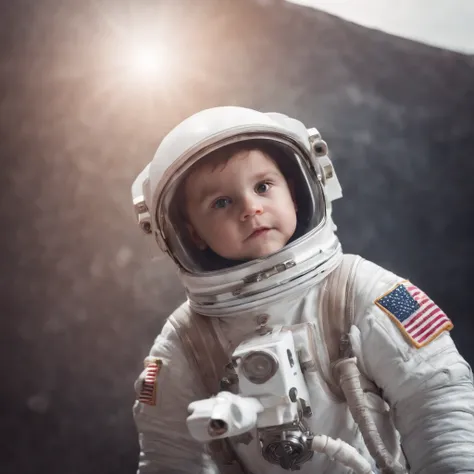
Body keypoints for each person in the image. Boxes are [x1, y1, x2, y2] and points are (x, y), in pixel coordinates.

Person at [130, 106, 474, 474]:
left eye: (263, 186)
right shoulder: (184, 341)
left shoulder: (362, 290)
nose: (251, 209)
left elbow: (435, 400)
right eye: (221, 202)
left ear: (295, 193)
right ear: (191, 232)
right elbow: (168, 453)